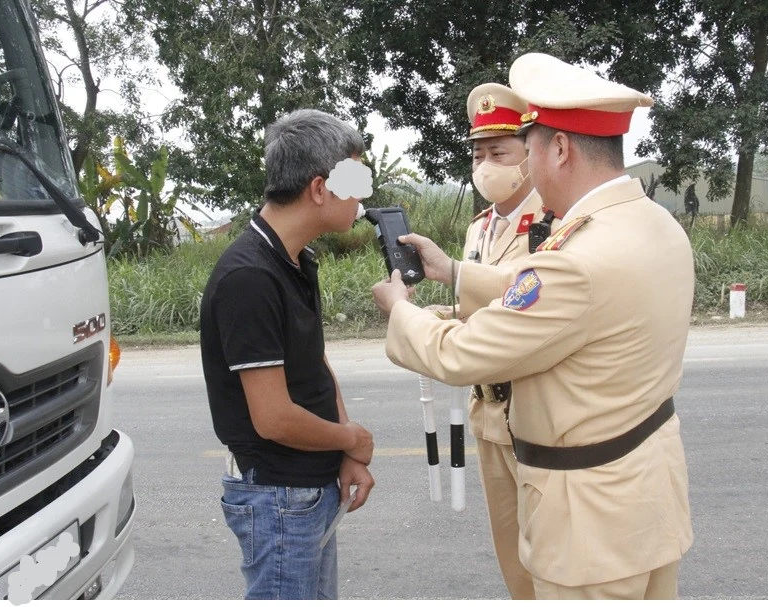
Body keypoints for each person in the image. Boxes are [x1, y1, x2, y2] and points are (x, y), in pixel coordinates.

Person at [372, 53, 694, 600]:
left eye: (532, 143)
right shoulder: (653, 223)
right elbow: (557, 305)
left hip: (588, 529)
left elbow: (464, 354)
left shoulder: (575, 258)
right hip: (645, 498)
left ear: (560, 148)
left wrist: (401, 310)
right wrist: (454, 272)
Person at [200, 109, 375, 600]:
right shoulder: (250, 277)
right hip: (278, 496)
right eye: (355, 180)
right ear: (319, 188)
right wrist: (353, 438)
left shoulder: (296, 259)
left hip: (309, 485)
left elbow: (314, 363)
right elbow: (273, 418)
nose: (362, 196)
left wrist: (346, 453)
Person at [450, 82, 549, 600]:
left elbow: (523, 296)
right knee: (510, 553)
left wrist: (453, 274)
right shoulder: (481, 227)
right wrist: (439, 314)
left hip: (531, 408)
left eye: (499, 152)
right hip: (487, 410)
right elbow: (475, 307)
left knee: (547, 551)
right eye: (479, 153)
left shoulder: (551, 223)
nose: (486, 164)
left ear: (528, 156)